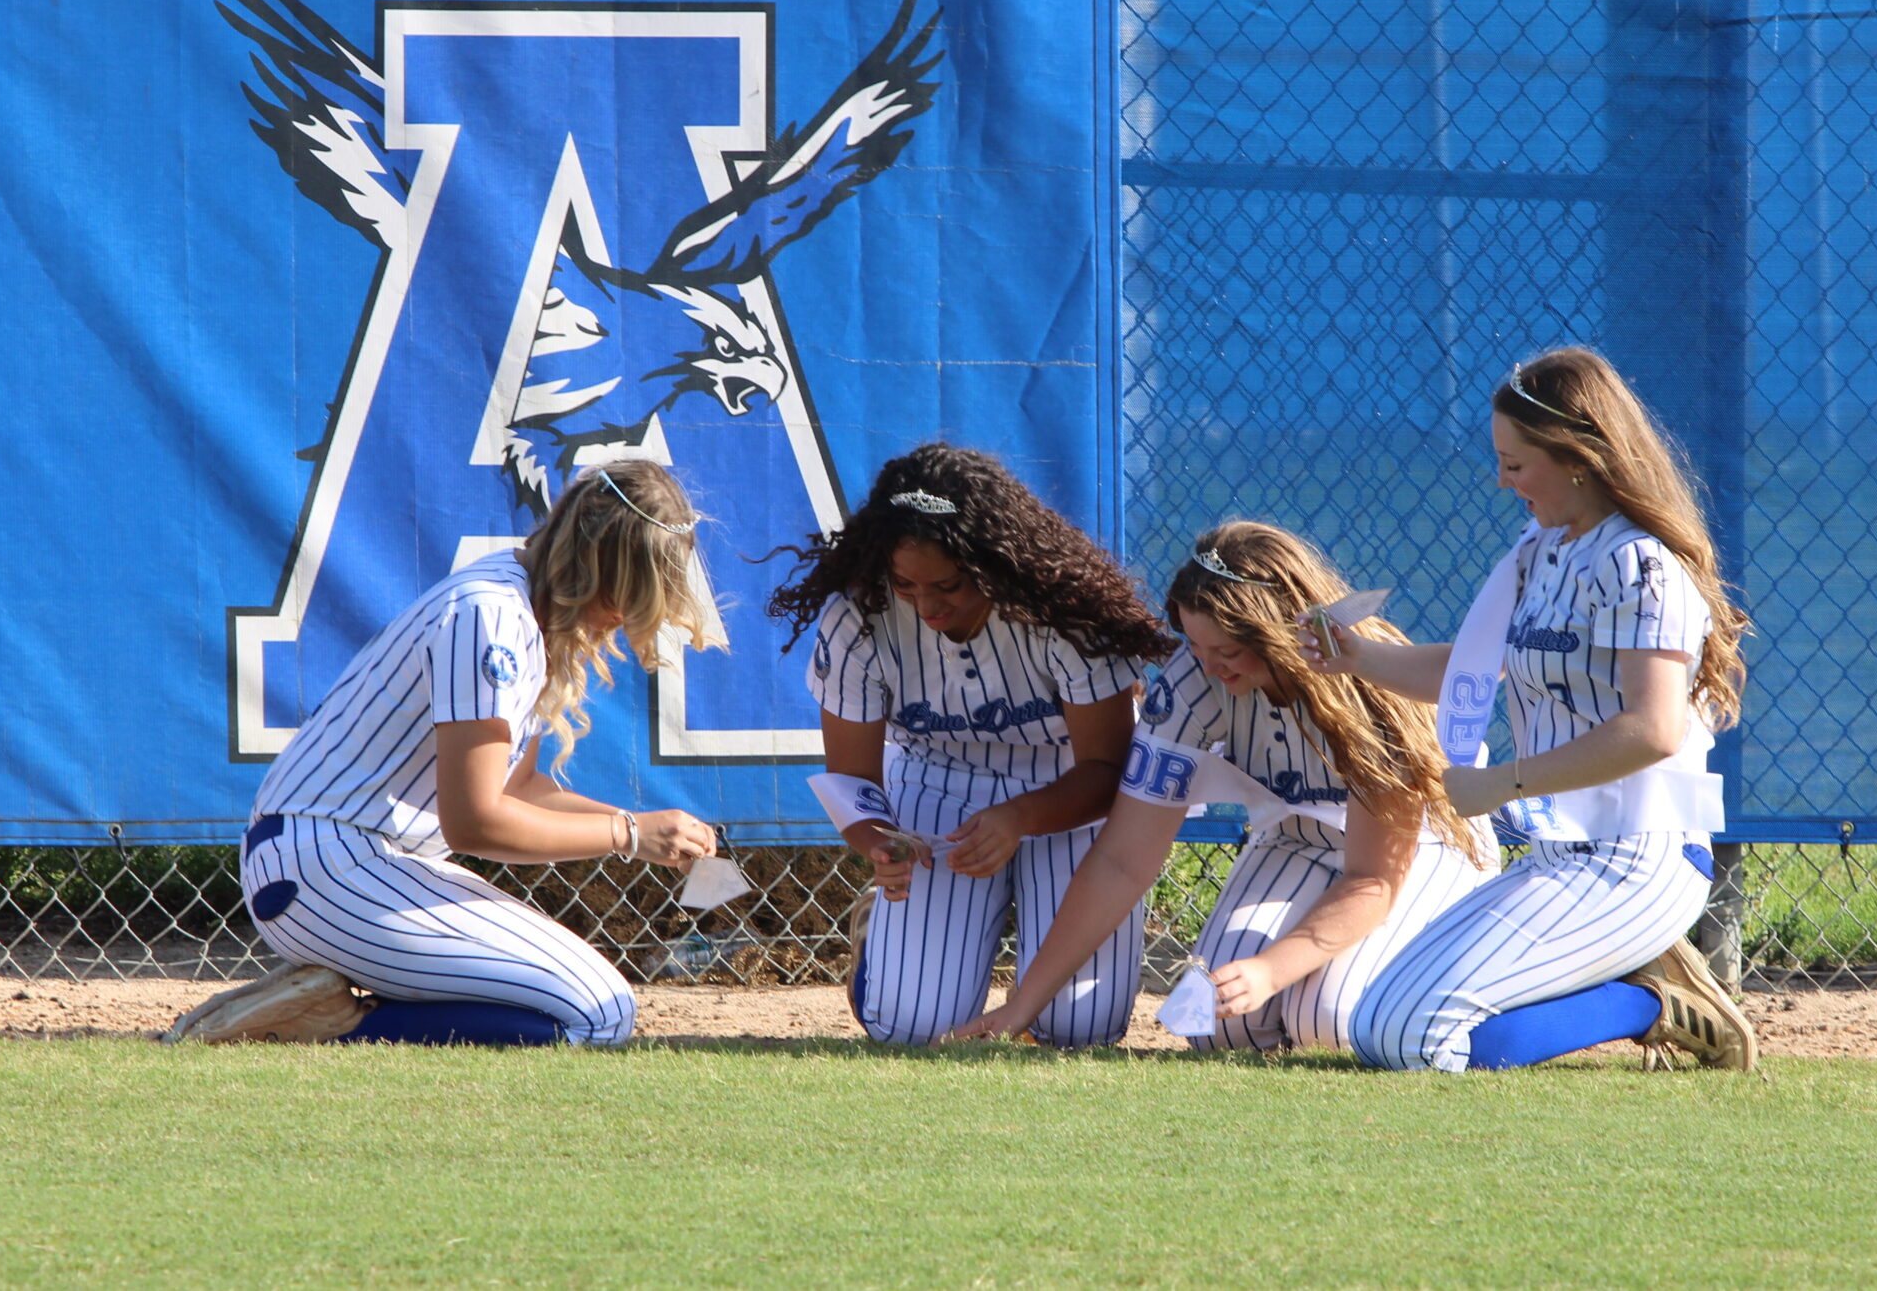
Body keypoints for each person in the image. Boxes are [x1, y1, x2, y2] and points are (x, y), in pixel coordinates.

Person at [165, 460, 720, 1046]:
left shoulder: (523, 606)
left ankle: (324, 1003)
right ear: (597, 564)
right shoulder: (492, 617)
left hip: (360, 861)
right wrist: (629, 834)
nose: (624, 616)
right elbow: (476, 822)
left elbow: (519, 791)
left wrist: (653, 831)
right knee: (599, 1013)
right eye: (627, 594)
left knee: (601, 1004)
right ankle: (322, 1025)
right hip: (325, 867)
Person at [1327, 347, 1757, 1071]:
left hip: (1640, 859)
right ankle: (1638, 982)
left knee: (1414, 1039)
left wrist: (1501, 784)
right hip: (1564, 855)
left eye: (1517, 462)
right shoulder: (1544, 550)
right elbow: (1471, 666)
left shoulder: (1639, 562)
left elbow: (1653, 729)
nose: (1502, 479)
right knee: (1373, 1025)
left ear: (1579, 455)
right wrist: (1357, 657)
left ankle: (1649, 998)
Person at [948, 522, 1496, 1051]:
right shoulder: (1196, 677)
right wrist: (1021, 1007)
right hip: (1297, 841)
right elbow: (1122, 860)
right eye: (1194, 645)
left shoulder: (1369, 680)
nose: (1206, 667)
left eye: (1226, 652)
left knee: (1329, 1017)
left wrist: (1271, 969)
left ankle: (1485, 976)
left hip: (1422, 853)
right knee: (1218, 1023)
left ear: (1279, 631)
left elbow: (1371, 879)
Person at [768, 443, 1174, 1046]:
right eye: (904, 583)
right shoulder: (858, 615)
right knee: (910, 1028)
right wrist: (880, 844)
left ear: (994, 564)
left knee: (1080, 1029)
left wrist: (1019, 817)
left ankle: (1032, 995)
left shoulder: (1063, 612)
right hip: (938, 780)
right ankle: (878, 938)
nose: (927, 604)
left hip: (1071, 785)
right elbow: (853, 778)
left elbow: (1108, 768)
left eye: (950, 584)